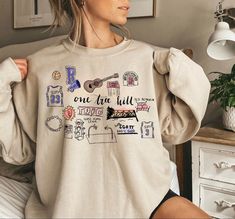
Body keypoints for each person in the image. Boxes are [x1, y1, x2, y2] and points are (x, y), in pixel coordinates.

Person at [0, 0, 211, 218]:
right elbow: (19, 151)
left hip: (150, 197)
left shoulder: (147, 59)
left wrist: (178, 65)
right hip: (70, 206)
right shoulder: (41, 67)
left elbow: (175, 131)